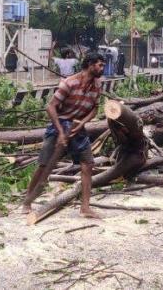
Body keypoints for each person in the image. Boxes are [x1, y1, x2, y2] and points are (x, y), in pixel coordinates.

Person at [21, 52, 105, 218]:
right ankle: (27, 202)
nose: (102, 68)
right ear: (90, 65)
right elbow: (50, 107)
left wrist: (82, 123)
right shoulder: (69, 83)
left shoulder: (97, 85)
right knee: (44, 164)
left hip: (77, 127)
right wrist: (60, 132)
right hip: (59, 124)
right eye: (100, 65)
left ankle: (85, 207)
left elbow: (95, 109)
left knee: (88, 164)